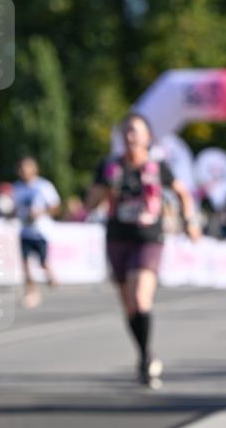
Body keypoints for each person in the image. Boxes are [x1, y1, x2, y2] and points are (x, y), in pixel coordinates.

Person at [86, 113, 200, 388]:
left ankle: (147, 359)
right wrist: (105, 188)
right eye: (126, 131)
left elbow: (183, 193)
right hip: (117, 238)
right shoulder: (110, 166)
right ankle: (144, 354)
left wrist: (190, 221)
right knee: (129, 305)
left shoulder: (158, 167)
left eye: (135, 131)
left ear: (147, 137)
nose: (130, 136)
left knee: (140, 297)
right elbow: (91, 202)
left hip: (148, 238)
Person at [13, 157, 61, 308]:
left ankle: (51, 276)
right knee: (25, 264)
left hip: (41, 232)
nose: (24, 171)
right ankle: (31, 293)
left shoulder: (44, 186)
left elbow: (56, 207)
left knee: (43, 262)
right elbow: (15, 209)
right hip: (25, 231)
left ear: (34, 169)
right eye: (21, 168)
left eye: (27, 167)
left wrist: (40, 213)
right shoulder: (17, 187)